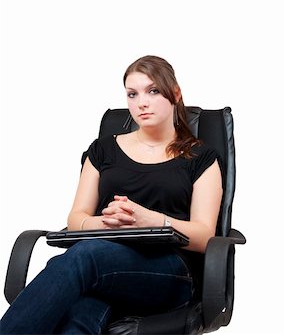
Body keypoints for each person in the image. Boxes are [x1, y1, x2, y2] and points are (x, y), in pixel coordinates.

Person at [0, 55, 223, 334]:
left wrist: (151, 220)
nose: (141, 102)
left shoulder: (200, 157)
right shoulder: (103, 150)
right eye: (132, 94)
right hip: (104, 267)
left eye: (153, 91)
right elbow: (76, 218)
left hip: (169, 272)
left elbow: (205, 236)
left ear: (175, 94)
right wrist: (109, 222)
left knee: (85, 256)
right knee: (81, 315)